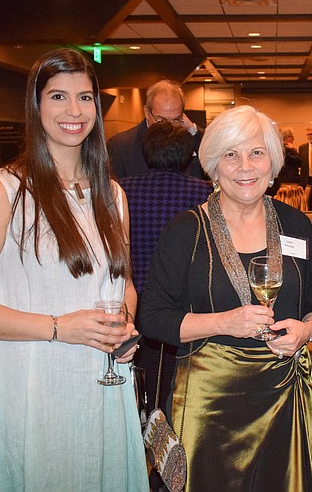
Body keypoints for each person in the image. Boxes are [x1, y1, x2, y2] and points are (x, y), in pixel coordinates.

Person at [0, 49, 148, 491]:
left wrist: (124, 325)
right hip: (36, 389)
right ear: (36, 107)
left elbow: (123, 283)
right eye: (58, 96)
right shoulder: (3, 192)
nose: (74, 111)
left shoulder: (112, 194)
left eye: (85, 98)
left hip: (103, 384)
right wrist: (58, 327)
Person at [139, 105, 312, 491]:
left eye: (256, 153)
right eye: (231, 154)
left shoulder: (296, 225)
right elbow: (153, 317)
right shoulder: (186, 230)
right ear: (213, 164)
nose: (245, 166)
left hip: (282, 398)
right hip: (211, 405)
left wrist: (307, 329)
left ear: (273, 162)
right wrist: (226, 322)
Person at [118, 122, 213, 431]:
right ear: (188, 156)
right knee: (179, 382)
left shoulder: (122, 190)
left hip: (132, 302)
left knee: (137, 381)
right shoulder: (203, 193)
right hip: (185, 309)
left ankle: (141, 439)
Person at [107, 79, 206, 180]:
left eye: (175, 120)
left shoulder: (189, 140)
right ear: (147, 112)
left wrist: (193, 130)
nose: (168, 126)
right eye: (161, 119)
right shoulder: (120, 147)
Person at [267, 126, 305, 211]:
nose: (294, 139)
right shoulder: (284, 149)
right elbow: (299, 161)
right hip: (287, 183)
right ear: (287, 138)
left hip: (285, 181)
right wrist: (292, 149)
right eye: (292, 137)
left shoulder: (281, 148)